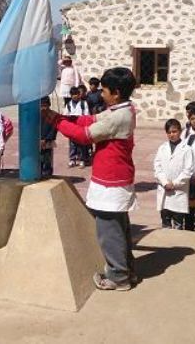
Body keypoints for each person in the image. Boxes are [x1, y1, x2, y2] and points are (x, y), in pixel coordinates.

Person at [43, 67, 138, 291]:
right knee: (119, 228)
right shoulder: (122, 109)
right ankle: (126, 269)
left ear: (115, 93)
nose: (100, 94)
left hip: (111, 182)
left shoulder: (119, 116)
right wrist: (65, 117)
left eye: (104, 90)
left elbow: (84, 136)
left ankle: (118, 277)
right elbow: (90, 120)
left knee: (109, 232)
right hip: (116, 179)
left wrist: (55, 121)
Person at [154, 119, 195, 230]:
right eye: (169, 132)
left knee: (178, 224)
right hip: (164, 190)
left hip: (178, 192)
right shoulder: (162, 148)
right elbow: (157, 167)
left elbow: (188, 170)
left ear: (180, 131)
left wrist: (174, 184)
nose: (172, 134)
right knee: (165, 224)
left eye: (174, 131)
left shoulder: (187, 149)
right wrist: (165, 182)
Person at [66, 86, 91, 168]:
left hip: (81, 127)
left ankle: (82, 159)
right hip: (72, 126)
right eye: (73, 94)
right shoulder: (68, 105)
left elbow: (87, 114)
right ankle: (72, 159)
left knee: (81, 144)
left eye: (76, 94)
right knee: (72, 144)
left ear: (79, 95)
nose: (75, 96)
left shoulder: (84, 103)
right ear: (71, 95)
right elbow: (66, 114)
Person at [40, 96, 57, 178]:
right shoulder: (36, 115)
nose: (43, 108)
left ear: (49, 105)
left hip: (48, 142)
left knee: (47, 160)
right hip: (37, 142)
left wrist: (46, 139)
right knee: (38, 160)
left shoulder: (53, 115)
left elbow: (54, 130)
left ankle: (48, 176)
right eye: (41, 105)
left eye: (45, 105)